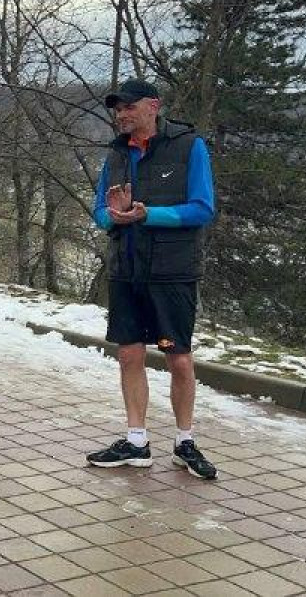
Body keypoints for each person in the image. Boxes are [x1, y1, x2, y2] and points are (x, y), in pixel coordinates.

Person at [86, 78, 218, 480]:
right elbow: (100, 211)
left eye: (129, 106)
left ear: (153, 106)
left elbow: (202, 208)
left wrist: (148, 215)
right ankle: (136, 441)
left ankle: (185, 443)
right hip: (127, 270)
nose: (121, 114)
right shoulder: (117, 152)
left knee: (178, 358)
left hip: (171, 272)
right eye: (117, 109)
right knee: (129, 355)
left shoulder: (189, 146)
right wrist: (114, 216)